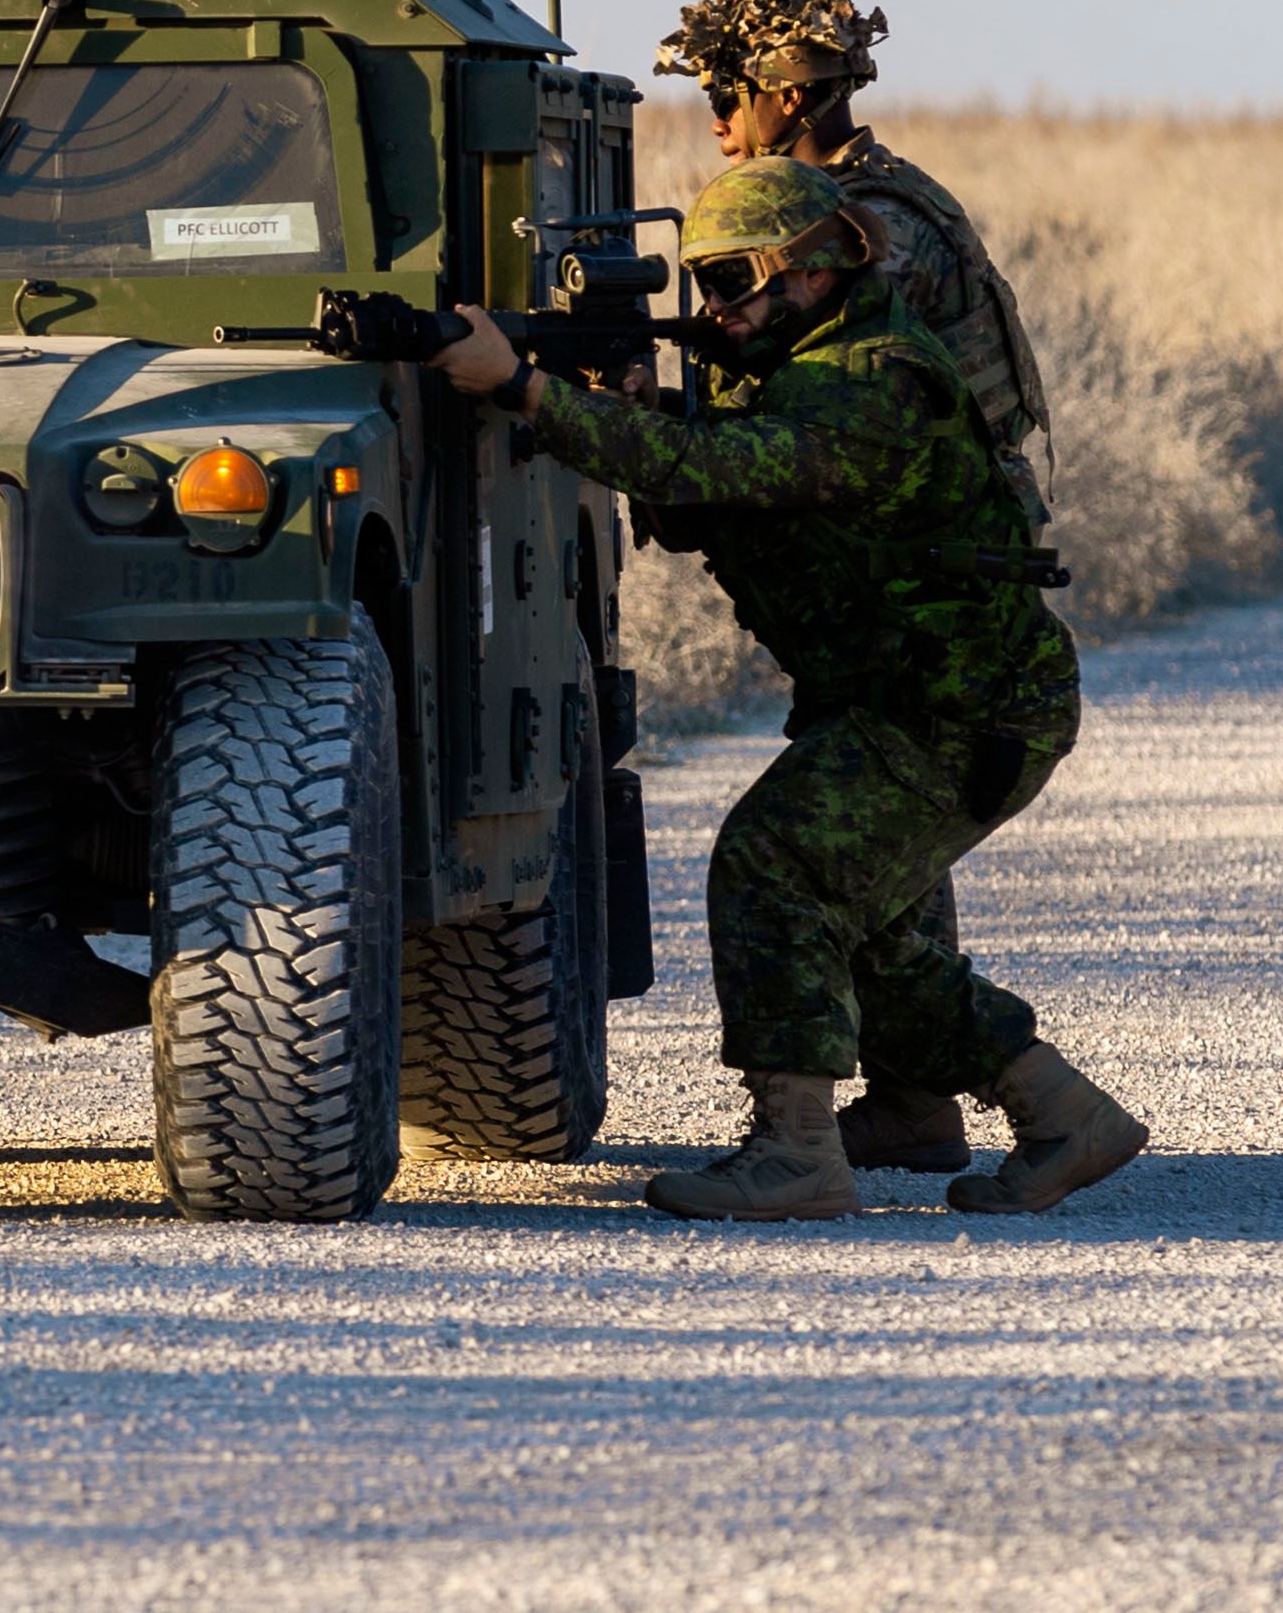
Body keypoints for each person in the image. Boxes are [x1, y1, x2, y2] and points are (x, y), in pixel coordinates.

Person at [434, 155, 1149, 1222]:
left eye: (731, 283)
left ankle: (798, 1152)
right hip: (911, 696)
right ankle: (1060, 1112)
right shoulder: (793, 372)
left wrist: (526, 389)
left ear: (813, 272)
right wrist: (635, 410)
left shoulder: (870, 383)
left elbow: (712, 475)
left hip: (961, 708)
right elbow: (716, 505)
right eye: (704, 287)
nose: (713, 310)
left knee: (772, 868)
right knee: (862, 934)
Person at [649, 0, 1057, 1176]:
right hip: (899, 540)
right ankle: (918, 1098)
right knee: (869, 831)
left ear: (787, 94)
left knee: (853, 828)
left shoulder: (853, 225)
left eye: (728, 96)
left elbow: (829, 411)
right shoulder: (866, 202)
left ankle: (910, 1096)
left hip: (919, 561)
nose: (717, 123)